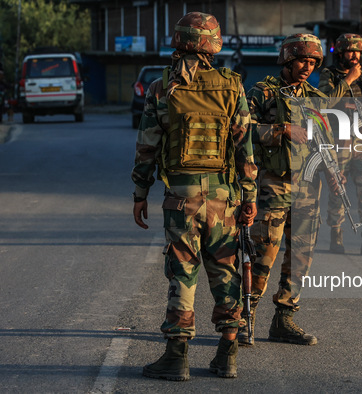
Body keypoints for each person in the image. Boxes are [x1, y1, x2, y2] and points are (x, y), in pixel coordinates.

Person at [131, 12, 257, 380]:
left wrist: (140, 192)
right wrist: (248, 197)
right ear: (213, 45)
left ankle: (176, 356)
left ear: (178, 41)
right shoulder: (232, 87)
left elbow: (146, 147)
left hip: (181, 198)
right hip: (223, 197)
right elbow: (245, 150)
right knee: (225, 271)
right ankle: (227, 354)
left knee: (182, 273)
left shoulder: (160, 88)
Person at [238, 33, 346, 347]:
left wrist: (334, 172)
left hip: (308, 188)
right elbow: (240, 130)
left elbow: (326, 140)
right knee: (263, 256)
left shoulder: (315, 97)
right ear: (287, 59)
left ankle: (284, 319)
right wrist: (282, 129)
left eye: (313, 62)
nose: (307, 67)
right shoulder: (263, 92)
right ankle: (246, 318)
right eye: (302, 60)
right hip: (273, 185)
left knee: (300, 258)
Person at [318, 33, 362, 257]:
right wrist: (348, 79)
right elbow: (324, 102)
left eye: (358, 51)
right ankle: (336, 233)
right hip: (339, 139)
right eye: (350, 51)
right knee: (338, 189)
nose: (354, 55)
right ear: (340, 52)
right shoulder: (329, 75)